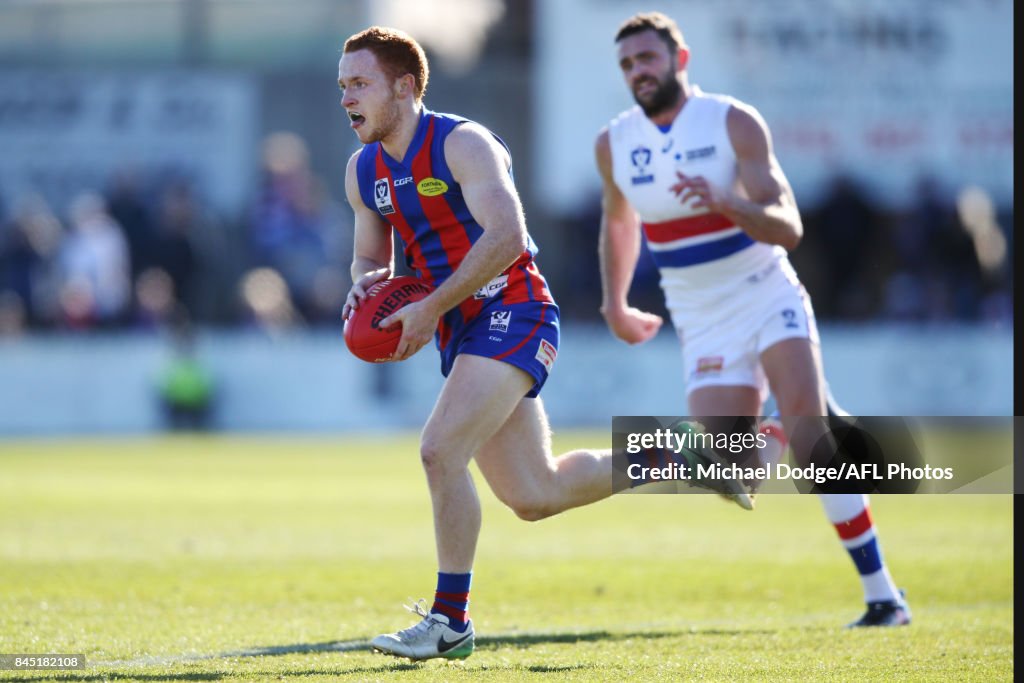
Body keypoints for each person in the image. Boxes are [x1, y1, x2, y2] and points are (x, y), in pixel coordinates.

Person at [338, 26, 750, 662]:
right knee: (536, 494)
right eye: (342, 86)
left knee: (438, 452)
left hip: (514, 309)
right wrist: (366, 291)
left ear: (405, 86)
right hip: (458, 326)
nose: (347, 98)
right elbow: (371, 255)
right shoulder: (362, 170)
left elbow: (507, 236)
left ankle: (450, 622)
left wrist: (429, 306)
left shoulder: (463, 144)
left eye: (359, 83)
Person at [595, 12, 910, 628]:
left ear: (679, 60)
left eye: (648, 59)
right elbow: (618, 221)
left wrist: (726, 202)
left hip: (765, 293)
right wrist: (614, 302)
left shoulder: (732, 121)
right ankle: (788, 417)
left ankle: (884, 598)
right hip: (701, 317)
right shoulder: (614, 142)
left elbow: (787, 227)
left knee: (813, 439)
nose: (638, 71)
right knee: (729, 473)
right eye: (628, 64)